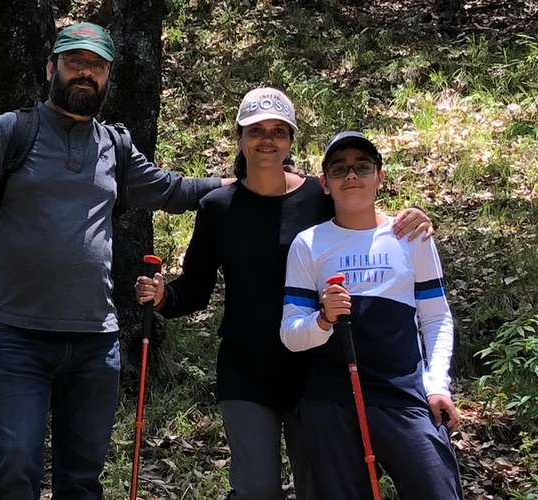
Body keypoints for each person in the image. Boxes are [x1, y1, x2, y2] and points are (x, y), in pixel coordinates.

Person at [0, 22, 228, 499]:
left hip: (96, 341)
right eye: (75, 63)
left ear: (107, 78)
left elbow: (172, 190)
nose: (85, 73)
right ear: (52, 68)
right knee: (17, 469)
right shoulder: (12, 131)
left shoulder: (116, 147)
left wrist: (242, 184)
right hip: (19, 336)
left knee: (82, 481)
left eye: (97, 67)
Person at [134, 88, 433, 500]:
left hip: (315, 369)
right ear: (239, 138)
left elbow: (363, 222)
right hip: (246, 366)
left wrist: (410, 217)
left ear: (292, 140)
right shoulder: (217, 207)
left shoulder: (317, 195)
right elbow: (197, 290)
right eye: (256, 130)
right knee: (257, 489)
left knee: (320, 488)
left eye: (278, 130)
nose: (267, 139)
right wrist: (164, 296)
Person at [279, 131, 463, 499]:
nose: (351, 176)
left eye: (362, 167)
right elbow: (290, 333)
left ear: (379, 177)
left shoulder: (410, 235)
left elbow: (436, 317)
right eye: (339, 168)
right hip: (332, 398)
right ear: (325, 183)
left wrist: (437, 385)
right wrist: (323, 320)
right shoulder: (309, 243)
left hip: (403, 392)